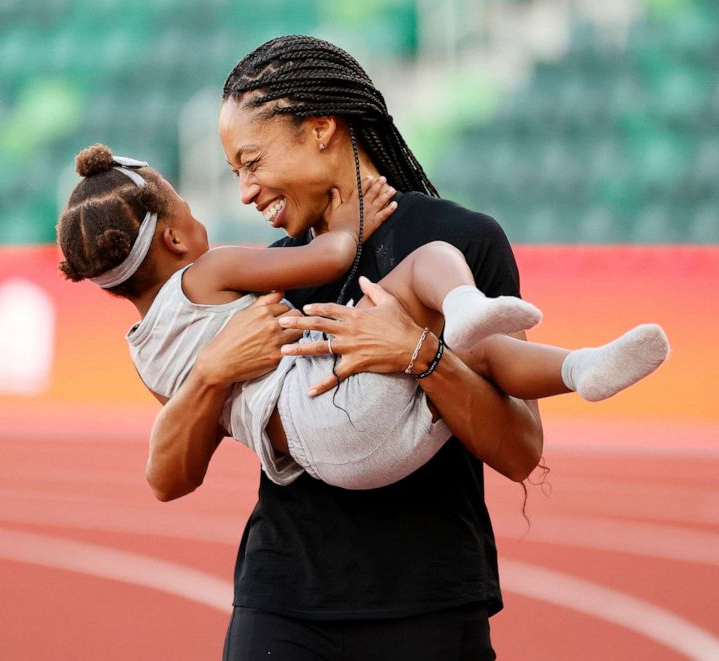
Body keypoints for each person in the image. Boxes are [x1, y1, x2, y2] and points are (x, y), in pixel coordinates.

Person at [133, 35, 657, 660]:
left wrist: (421, 357)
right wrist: (211, 374)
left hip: (430, 603)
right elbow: (167, 479)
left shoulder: (462, 241)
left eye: (252, 161)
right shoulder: (267, 276)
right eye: (235, 173)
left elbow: (520, 450)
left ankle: (579, 367)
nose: (245, 191)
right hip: (284, 602)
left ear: (321, 128)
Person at [56, 143, 668, 490]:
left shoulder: (143, 351)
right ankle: (473, 307)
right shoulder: (207, 271)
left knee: (460, 352)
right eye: (188, 205)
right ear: (174, 239)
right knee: (432, 268)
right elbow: (333, 252)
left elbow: (184, 443)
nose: (239, 193)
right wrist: (355, 217)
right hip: (331, 399)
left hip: (327, 461)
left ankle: (581, 368)